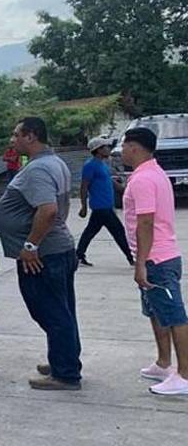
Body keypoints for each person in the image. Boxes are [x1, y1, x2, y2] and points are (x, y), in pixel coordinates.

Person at [0, 117, 82, 391]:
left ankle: (65, 372)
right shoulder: (53, 163)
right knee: (63, 310)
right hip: (57, 248)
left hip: (43, 254)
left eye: (16, 134)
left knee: (50, 311)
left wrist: (31, 245)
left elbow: (48, 210)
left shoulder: (39, 169)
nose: (12, 140)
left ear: (30, 136)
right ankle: (64, 359)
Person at [120, 126, 188, 396]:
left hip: (156, 258)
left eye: (124, 146)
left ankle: (184, 374)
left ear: (135, 147)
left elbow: (145, 222)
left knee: (174, 315)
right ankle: (163, 362)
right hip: (155, 256)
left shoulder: (143, 180)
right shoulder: (153, 172)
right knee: (156, 311)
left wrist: (141, 263)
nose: (122, 151)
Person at [77, 136, 133, 267]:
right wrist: (83, 206)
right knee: (118, 231)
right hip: (100, 206)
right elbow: (84, 186)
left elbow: (110, 181)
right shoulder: (90, 166)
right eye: (105, 147)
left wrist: (126, 190)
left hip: (106, 205)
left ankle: (79, 255)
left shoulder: (103, 165)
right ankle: (130, 258)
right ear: (98, 150)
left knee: (91, 231)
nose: (108, 149)